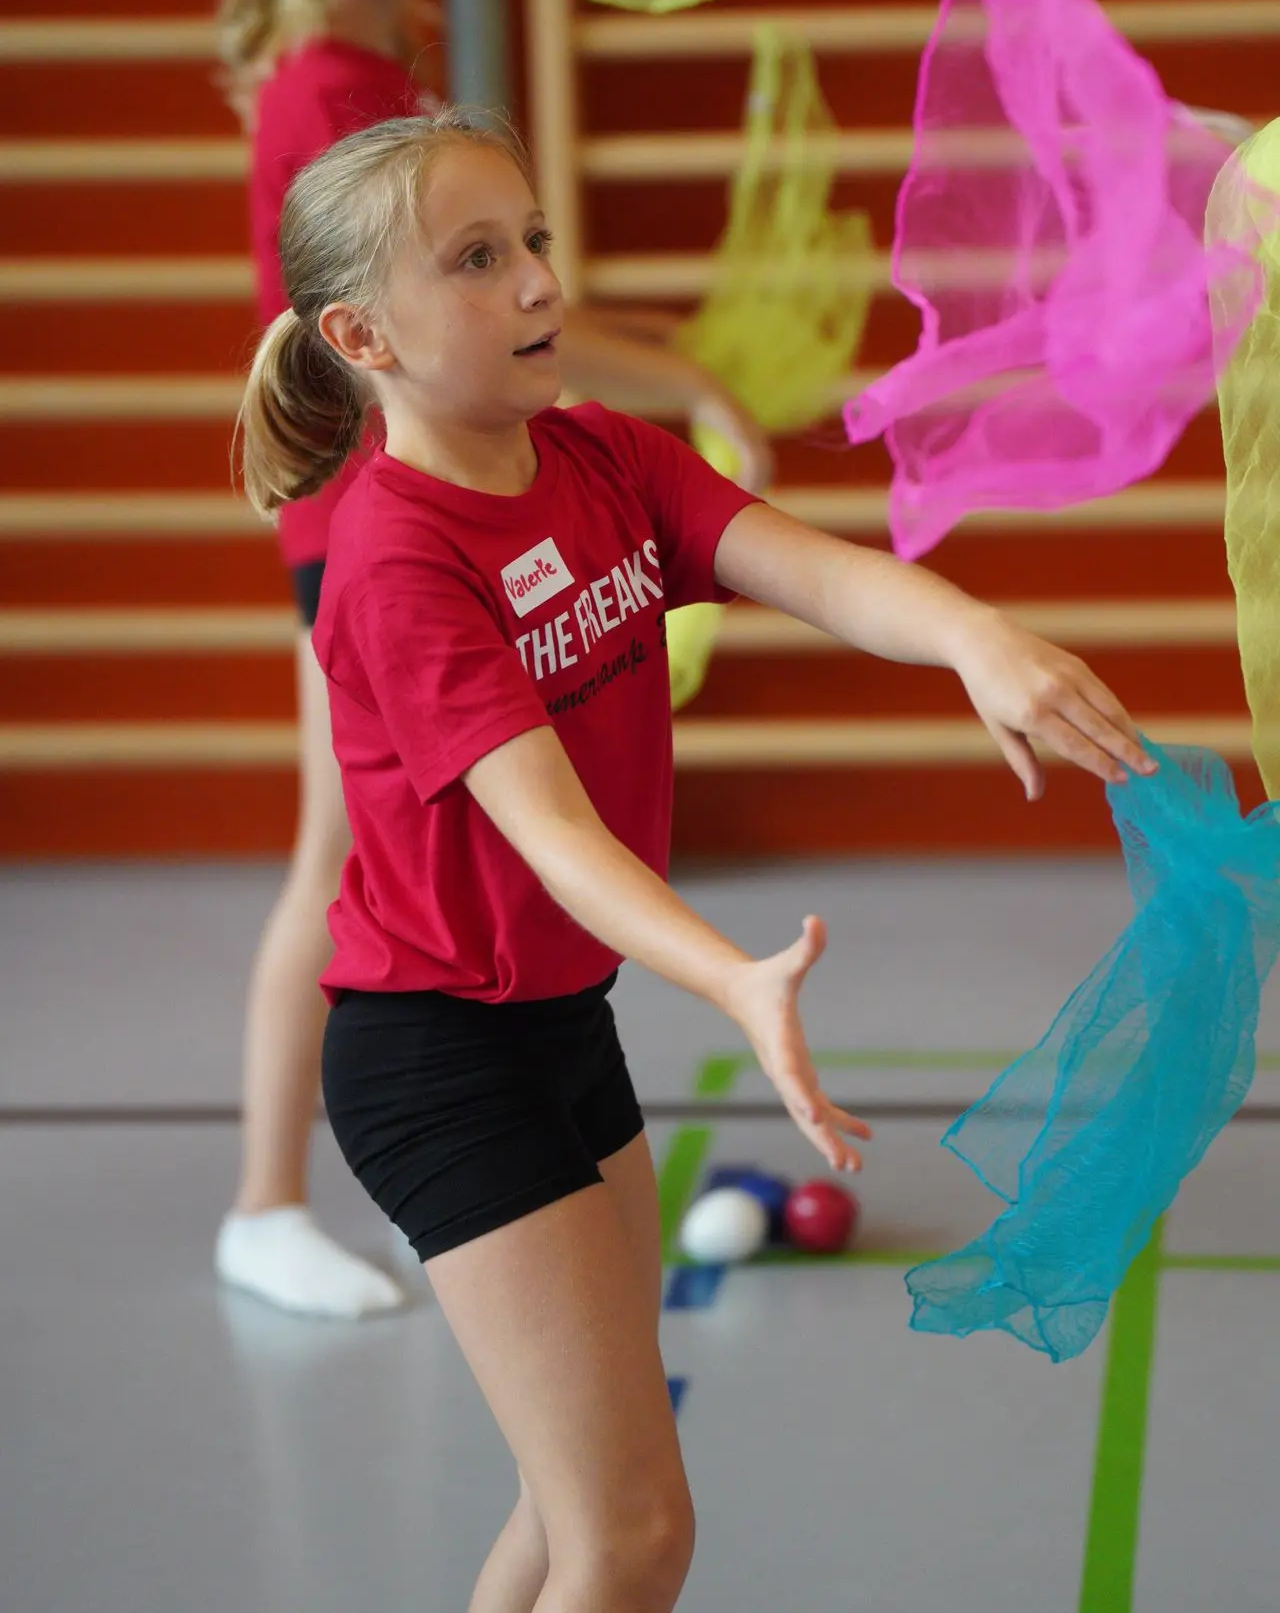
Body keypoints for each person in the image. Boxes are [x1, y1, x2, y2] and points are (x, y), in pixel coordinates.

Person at [236, 106, 1154, 1611]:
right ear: (362, 335)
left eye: (533, 239)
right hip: (438, 1060)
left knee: (576, 1515)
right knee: (632, 1537)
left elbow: (813, 571)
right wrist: (735, 979)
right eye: (477, 259)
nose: (540, 281)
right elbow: (552, 836)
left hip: (556, 1030)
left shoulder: (601, 455)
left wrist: (976, 638)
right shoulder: (397, 562)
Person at [214, 0, 770, 1317]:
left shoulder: (377, 72)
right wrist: (678, 374)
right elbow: (434, 313)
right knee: (341, 861)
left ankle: (448, 1196)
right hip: (380, 538)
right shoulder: (331, 99)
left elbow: (489, 293)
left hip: (404, 527)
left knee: (360, 855)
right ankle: (269, 1202)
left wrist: (662, 360)